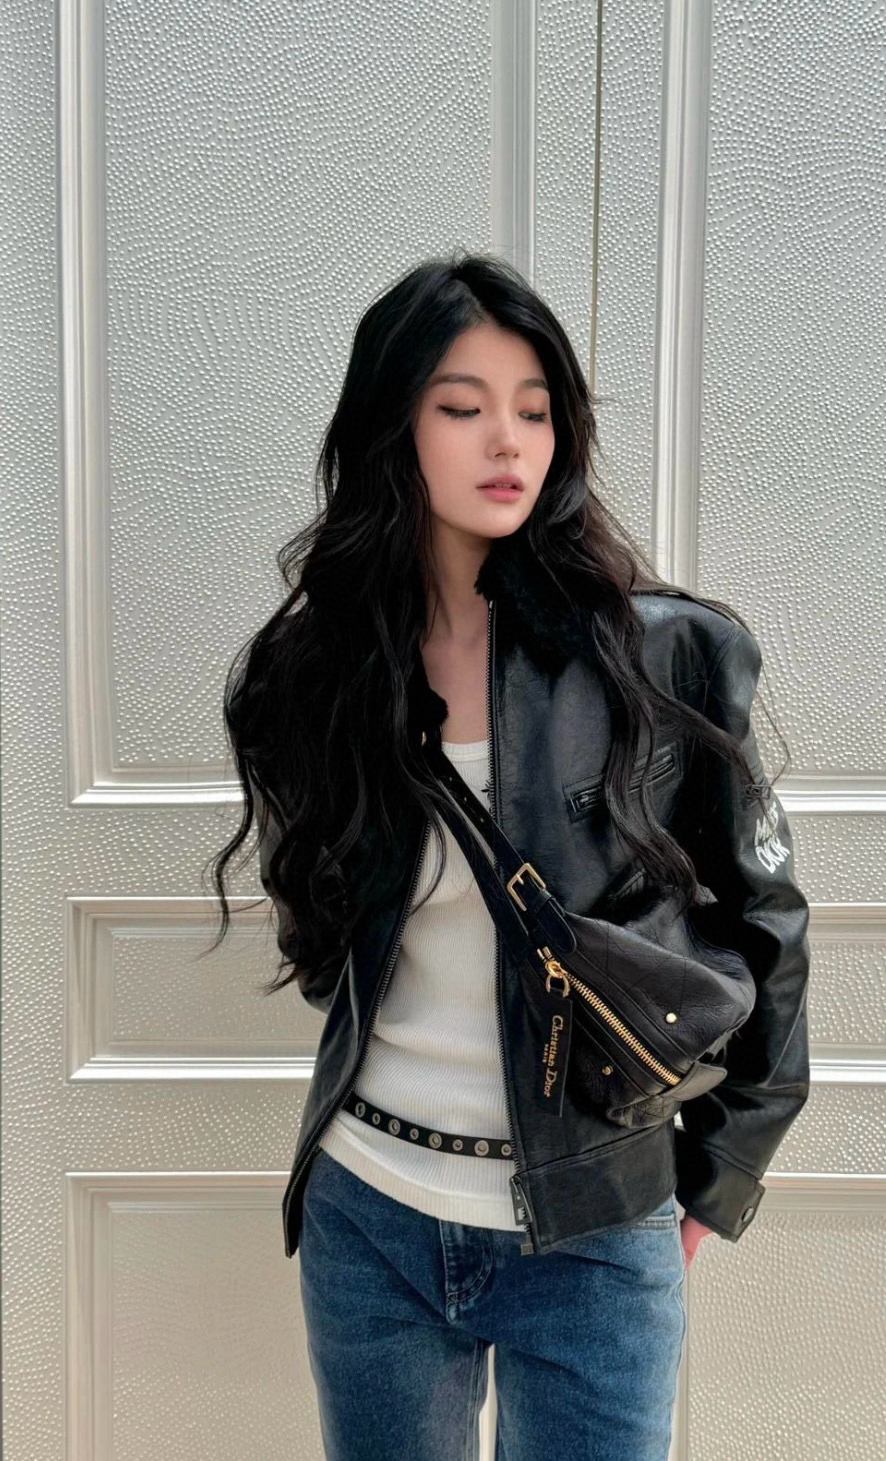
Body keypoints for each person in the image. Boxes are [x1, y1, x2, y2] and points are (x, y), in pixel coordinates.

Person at [206, 250, 811, 1460]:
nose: (507, 442)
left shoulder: (663, 655)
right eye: (462, 405)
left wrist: (718, 1176)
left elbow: (770, 923)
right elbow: (319, 926)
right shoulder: (315, 672)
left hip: (595, 1229)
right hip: (370, 1216)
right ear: (394, 424)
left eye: (534, 411)